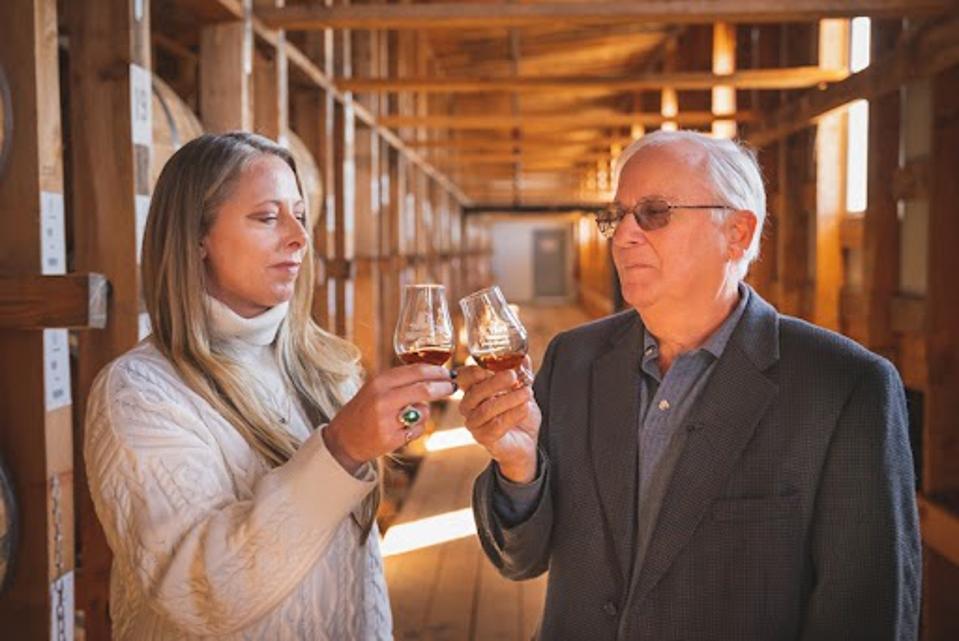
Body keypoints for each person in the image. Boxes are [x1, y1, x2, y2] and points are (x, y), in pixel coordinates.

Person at [458, 130, 921, 641]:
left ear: (738, 233)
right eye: (618, 216)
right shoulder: (573, 359)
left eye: (653, 213)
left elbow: (867, 613)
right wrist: (519, 469)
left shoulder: (845, 387)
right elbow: (520, 560)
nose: (623, 236)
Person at [83, 132, 455, 640]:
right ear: (197, 236)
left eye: (300, 215)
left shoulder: (329, 367)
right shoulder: (140, 393)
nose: (300, 237)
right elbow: (200, 596)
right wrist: (341, 449)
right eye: (267, 217)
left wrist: (406, 422)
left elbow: (359, 575)